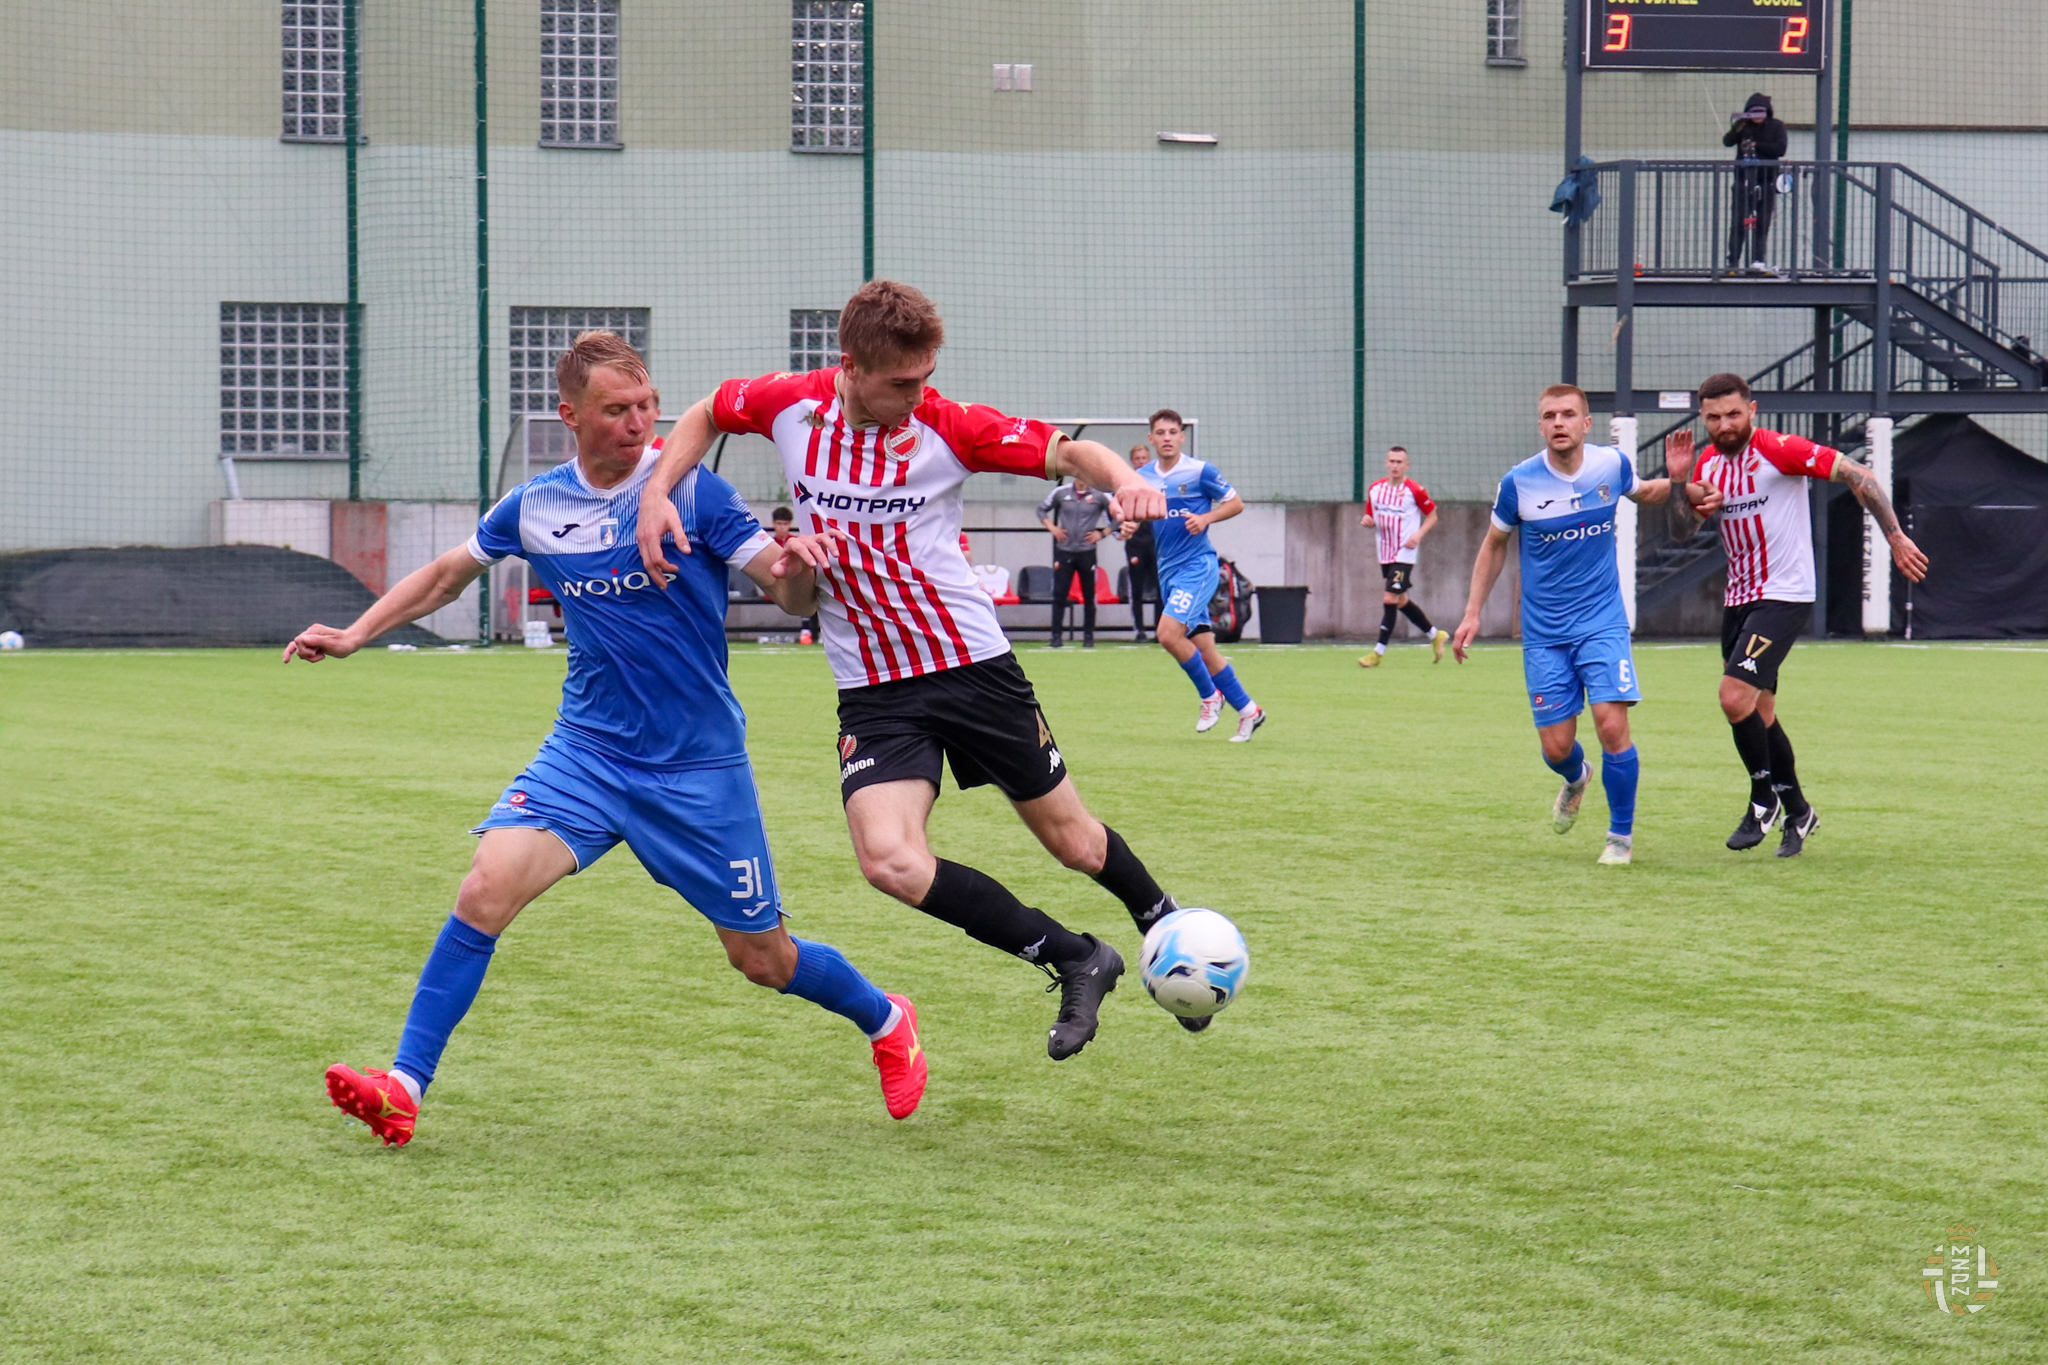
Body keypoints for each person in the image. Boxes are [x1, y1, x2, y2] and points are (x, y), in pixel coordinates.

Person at [292, 332, 927, 1145]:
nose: (638, 423)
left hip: (697, 767)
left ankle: (886, 1018)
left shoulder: (692, 492)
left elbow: (790, 594)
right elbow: (448, 574)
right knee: (484, 889)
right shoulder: (535, 505)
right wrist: (356, 632)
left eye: (647, 406)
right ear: (570, 416)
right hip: (586, 755)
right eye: (617, 409)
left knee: (763, 959)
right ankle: (404, 1086)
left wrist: (800, 564)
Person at [634, 280, 1206, 1056]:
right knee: (889, 861)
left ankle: (1162, 920)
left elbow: (1072, 452)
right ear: (851, 366)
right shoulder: (789, 405)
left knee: (1073, 842)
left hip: (972, 667)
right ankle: (1076, 956)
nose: (918, 394)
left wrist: (1130, 480)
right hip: (873, 689)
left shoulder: (950, 425)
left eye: (926, 376)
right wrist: (657, 492)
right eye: (902, 382)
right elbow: (707, 410)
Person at [1450, 384, 1724, 866]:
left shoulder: (1610, 465)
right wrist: (1473, 612)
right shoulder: (1519, 483)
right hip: (1544, 633)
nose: (1558, 422)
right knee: (1557, 747)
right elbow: (1494, 545)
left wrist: (1688, 485)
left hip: (1602, 621)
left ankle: (1620, 836)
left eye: (1567, 414)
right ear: (1541, 425)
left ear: (1585, 423)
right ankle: (1577, 777)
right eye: (1549, 415)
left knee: (1611, 723)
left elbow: (1645, 492)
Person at [1666, 372, 1929, 855]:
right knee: (1759, 712)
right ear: (1703, 418)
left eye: (1734, 414)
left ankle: (1762, 799)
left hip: (1784, 595)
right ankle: (1800, 811)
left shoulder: (1779, 449)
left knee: (1732, 697)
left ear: (1752, 410)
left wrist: (1895, 537)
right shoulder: (1708, 463)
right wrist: (1679, 483)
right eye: (1714, 417)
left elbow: (1860, 475)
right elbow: (1683, 532)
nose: (1725, 425)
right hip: (1739, 600)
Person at [1132, 409, 1267, 741]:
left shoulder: (1199, 471)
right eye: (1160, 433)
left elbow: (1235, 503)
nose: (1167, 438)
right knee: (1205, 650)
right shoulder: (1143, 476)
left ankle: (1210, 696)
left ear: (1182, 437)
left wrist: (1206, 518)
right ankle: (1250, 711)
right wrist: (1127, 523)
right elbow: (1133, 509)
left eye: (1172, 432)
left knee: (1167, 635)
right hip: (1169, 571)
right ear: (1151, 439)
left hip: (1198, 567)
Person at [1358, 445, 1450, 667]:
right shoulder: (1375, 489)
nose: (1395, 466)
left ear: (1406, 465)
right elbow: (1370, 516)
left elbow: (1432, 515)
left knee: (1389, 598)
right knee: (1401, 600)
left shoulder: (1415, 490)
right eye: (1392, 461)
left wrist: (1418, 535)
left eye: (1399, 462)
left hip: (1404, 553)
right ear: (1386, 463)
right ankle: (1435, 634)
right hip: (1385, 552)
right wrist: (1367, 521)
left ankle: (1378, 652)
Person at [1037, 474, 1115, 647]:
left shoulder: (1100, 495)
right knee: (1060, 594)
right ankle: (1056, 637)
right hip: (1064, 551)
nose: (1081, 478)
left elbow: (1118, 516)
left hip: (1087, 552)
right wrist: (1053, 528)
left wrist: (1103, 533)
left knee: (1089, 596)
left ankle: (1088, 637)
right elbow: (1041, 509)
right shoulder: (1061, 492)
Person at [1724, 93, 1789, 273]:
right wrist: (1738, 128)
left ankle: (1758, 260)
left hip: (1767, 182)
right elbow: (1727, 141)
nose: (1757, 116)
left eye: (1761, 112)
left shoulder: (1777, 126)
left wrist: (1756, 145)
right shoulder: (1744, 126)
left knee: (1762, 223)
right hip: (1743, 181)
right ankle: (1733, 262)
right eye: (1753, 112)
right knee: (1738, 222)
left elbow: (1780, 149)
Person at [1121, 444, 1160, 640]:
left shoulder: (1157, 481)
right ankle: (1139, 630)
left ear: (1149, 459)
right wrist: (1120, 530)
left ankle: (1161, 630)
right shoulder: (1125, 483)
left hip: (1156, 542)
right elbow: (1113, 510)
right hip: (1135, 544)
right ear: (1132, 461)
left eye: (1144, 458)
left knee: (1161, 587)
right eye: (1137, 459)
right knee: (1136, 588)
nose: (1141, 461)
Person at [771, 504, 821, 643]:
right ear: (773, 524)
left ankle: (810, 631)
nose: (782, 528)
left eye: (785, 524)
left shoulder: (797, 543)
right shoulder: (770, 544)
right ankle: (807, 630)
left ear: (790, 524)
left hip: (795, 583)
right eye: (779, 524)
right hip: (775, 583)